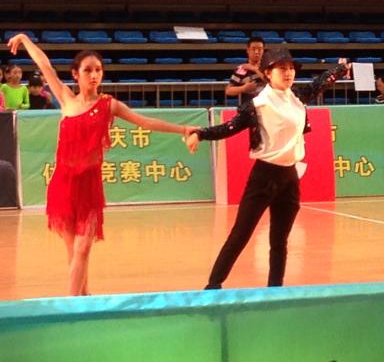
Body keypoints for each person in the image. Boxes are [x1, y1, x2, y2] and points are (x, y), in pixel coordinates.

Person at [7, 35, 197, 295]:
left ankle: (72, 306)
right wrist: (24, 39)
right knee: (74, 251)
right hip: (63, 185)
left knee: (82, 248)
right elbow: (44, 64)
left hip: (89, 186)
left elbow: (145, 122)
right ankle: (83, 297)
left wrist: (183, 129)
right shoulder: (65, 98)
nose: (94, 75)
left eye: (98, 70)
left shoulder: (109, 105)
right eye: (88, 70)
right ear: (76, 74)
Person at [187, 47, 345, 288]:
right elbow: (229, 128)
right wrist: (200, 134)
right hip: (264, 177)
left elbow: (319, 84)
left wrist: (340, 69)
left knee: (279, 241)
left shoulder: (297, 96)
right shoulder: (257, 105)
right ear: (268, 73)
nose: (288, 73)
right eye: (282, 69)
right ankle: (213, 286)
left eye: (291, 68)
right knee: (240, 235)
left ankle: (275, 289)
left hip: (290, 178)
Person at [225, 36, 265, 102]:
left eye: (260, 49)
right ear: (248, 50)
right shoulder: (241, 69)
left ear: (263, 50)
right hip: (248, 106)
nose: (256, 52)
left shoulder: (269, 67)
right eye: (253, 49)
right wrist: (243, 88)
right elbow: (228, 90)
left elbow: (271, 82)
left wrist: (255, 69)